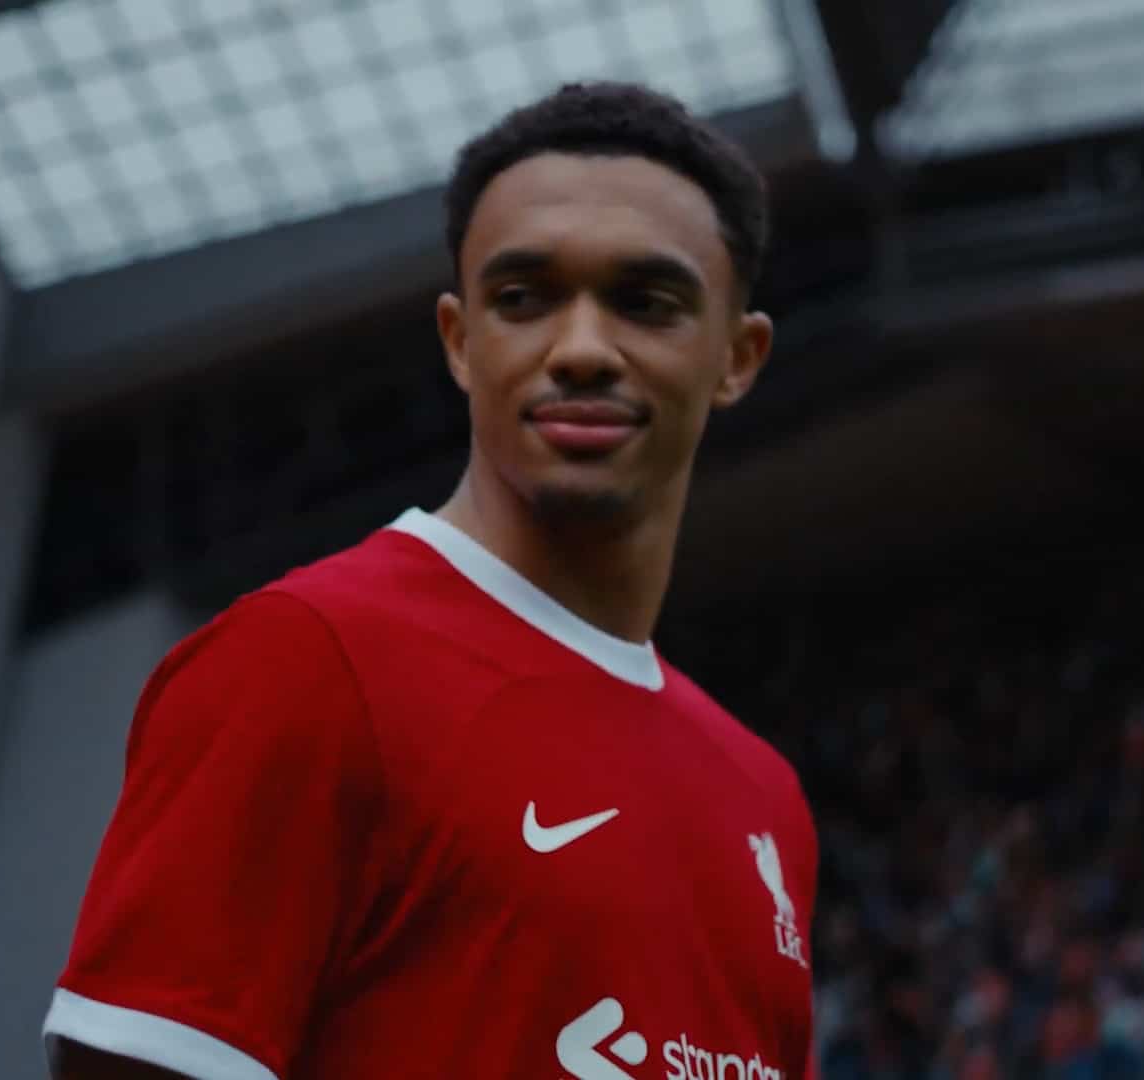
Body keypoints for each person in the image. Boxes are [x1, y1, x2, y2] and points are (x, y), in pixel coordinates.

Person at [44, 81, 814, 1080]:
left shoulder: (766, 796)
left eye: (645, 303)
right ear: (459, 341)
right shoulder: (303, 661)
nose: (581, 349)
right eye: (523, 298)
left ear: (737, 358)